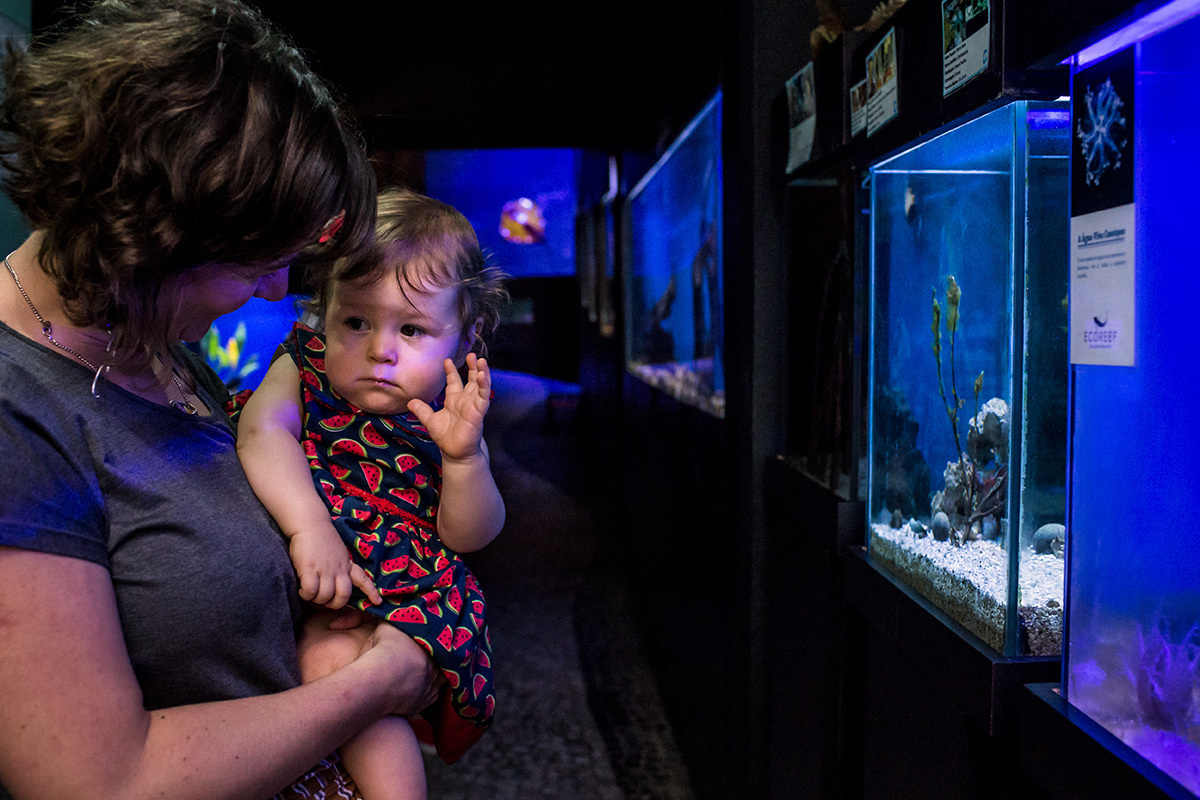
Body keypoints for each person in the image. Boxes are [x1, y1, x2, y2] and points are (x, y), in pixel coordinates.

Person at [0, 3, 441, 799]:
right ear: (153, 234)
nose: (276, 290)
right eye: (255, 266)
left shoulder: (146, 339)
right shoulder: (16, 407)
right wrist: (376, 685)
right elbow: (100, 780)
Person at [235, 188, 508, 800]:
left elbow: (471, 536)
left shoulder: (447, 412)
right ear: (321, 313)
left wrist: (464, 459)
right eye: (355, 321)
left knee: (336, 676)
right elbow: (261, 429)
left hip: (405, 589)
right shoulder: (303, 367)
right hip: (324, 568)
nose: (380, 350)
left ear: (465, 337)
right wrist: (311, 527)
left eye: (412, 329)